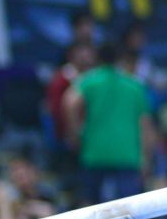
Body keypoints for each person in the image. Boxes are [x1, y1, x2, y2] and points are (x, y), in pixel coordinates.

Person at [64, 43, 156, 205]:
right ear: (120, 59)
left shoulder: (89, 81)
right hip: (127, 153)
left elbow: (69, 102)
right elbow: (145, 125)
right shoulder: (134, 85)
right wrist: (146, 158)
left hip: (95, 150)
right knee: (129, 209)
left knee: (91, 208)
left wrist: (76, 133)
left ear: (98, 58)